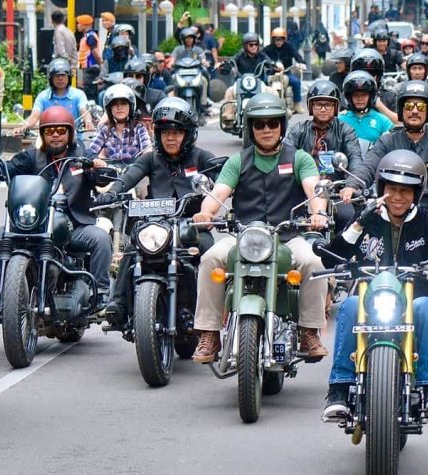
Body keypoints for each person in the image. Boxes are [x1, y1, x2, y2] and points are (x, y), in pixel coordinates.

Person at [190, 93, 329, 363]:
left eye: (273, 123)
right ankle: (209, 333)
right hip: (244, 237)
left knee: (314, 262)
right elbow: (218, 192)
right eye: (259, 124)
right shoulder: (238, 161)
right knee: (210, 259)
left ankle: (309, 331)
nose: (267, 129)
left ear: (282, 126)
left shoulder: (300, 159)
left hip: (287, 236)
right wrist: (206, 212)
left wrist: (318, 213)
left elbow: (314, 189)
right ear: (250, 128)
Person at [322, 150, 428, 419]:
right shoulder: (366, 218)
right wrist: (358, 223)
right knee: (349, 306)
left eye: (405, 191)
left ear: (417, 193)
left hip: (412, 298)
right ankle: (338, 389)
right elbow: (331, 256)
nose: (397, 197)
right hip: (368, 297)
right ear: (381, 189)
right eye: (392, 189)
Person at [341, 81, 428, 332]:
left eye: (420, 106)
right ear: (401, 110)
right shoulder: (387, 141)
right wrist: (353, 185)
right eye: (409, 106)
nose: (414, 111)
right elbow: (368, 166)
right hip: (393, 212)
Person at [96, 98, 216, 325]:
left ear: (188, 134)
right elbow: (129, 176)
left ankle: (210, 311)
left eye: (177, 132)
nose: (170, 138)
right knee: (132, 248)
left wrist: (216, 202)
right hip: (156, 225)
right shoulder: (151, 159)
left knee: (209, 251)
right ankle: (118, 303)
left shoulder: (201, 157)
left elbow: (224, 179)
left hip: (192, 226)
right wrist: (112, 192)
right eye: (165, 132)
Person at [0, 106, 111, 306]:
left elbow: (99, 176)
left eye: (61, 130)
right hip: (36, 224)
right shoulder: (32, 157)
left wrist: (99, 168)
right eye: (49, 131)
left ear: (69, 133)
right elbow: (7, 169)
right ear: (43, 134)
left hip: (74, 225)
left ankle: (100, 295)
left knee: (101, 239)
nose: (55, 135)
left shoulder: (82, 155)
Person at [285, 80, 363, 227]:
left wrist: (351, 185)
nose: (322, 109)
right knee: (287, 220)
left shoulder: (346, 130)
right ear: (310, 106)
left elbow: (355, 159)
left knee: (348, 218)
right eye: (318, 104)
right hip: (302, 191)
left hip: (336, 191)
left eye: (328, 105)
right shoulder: (298, 130)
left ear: (335, 107)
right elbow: (285, 157)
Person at [14, 59, 94, 137]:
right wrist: (22, 128)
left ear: (69, 77)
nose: (60, 78)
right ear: (51, 78)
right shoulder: (43, 96)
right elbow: (34, 117)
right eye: (57, 75)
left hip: (73, 138)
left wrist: (88, 121)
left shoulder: (78, 94)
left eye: (63, 75)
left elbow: (84, 110)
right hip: (48, 139)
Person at [86, 83, 151, 163]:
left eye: (123, 103)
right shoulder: (104, 129)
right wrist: (96, 161)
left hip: (135, 170)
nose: (119, 107)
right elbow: (90, 152)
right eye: (115, 104)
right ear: (109, 108)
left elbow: (148, 151)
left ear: (130, 106)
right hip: (109, 170)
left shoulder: (139, 128)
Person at [220, 33, 271, 128]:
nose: (254, 47)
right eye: (251, 45)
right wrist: (226, 65)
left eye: (256, 44)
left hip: (259, 83)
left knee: (273, 92)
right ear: (245, 46)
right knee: (229, 91)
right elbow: (231, 61)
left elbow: (270, 62)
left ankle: (276, 115)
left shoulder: (262, 56)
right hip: (241, 84)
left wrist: (273, 65)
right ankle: (229, 115)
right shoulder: (239, 56)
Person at [338, 70, 394, 152]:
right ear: (349, 98)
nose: (360, 99)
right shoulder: (339, 120)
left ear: (370, 96)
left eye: (364, 95)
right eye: (356, 95)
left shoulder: (383, 121)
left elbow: (392, 146)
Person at [263, 28, 306, 114]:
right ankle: (264, 103)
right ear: (273, 40)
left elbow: (296, 55)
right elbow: (261, 56)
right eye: (276, 40)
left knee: (296, 82)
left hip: (286, 72)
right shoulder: (268, 48)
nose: (278, 42)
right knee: (262, 83)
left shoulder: (289, 47)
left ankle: (297, 104)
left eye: (280, 40)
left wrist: (301, 63)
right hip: (272, 73)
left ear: (284, 39)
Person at [76, 14, 101, 96]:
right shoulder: (87, 36)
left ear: (85, 25)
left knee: (89, 91)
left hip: (90, 68)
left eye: (79, 23)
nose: (77, 25)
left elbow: (95, 52)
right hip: (87, 67)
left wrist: (101, 64)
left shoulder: (90, 37)